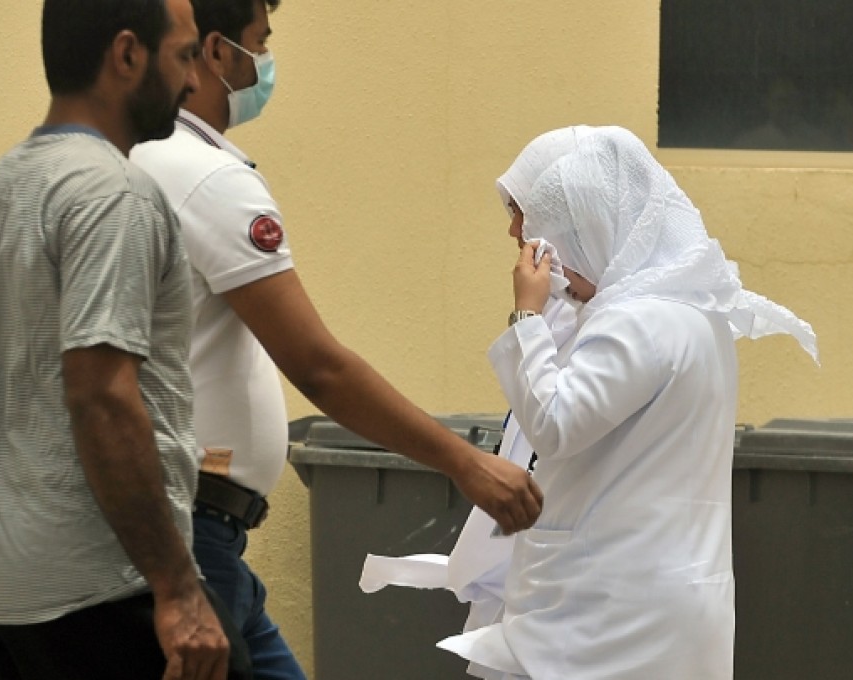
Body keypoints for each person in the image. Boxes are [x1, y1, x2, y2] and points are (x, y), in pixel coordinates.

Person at [129, 0, 545, 676]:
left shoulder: (152, 162)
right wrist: (465, 464)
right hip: (192, 529)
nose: (265, 64)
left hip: (208, 532)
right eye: (258, 44)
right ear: (214, 53)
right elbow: (317, 365)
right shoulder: (206, 179)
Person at [366, 125, 818, 679]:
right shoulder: (693, 312)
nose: (516, 233)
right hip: (652, 606)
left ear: (579, 220)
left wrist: (527, 317)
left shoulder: (638, 321)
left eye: (524, 214)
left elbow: (555, 424)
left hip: (608, 618)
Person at [0, 1, 252, 678]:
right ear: (125, 55)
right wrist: (177, 589)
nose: (192, 82)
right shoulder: (114, 195)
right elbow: (101, 397)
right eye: (180, 56)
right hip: (99, 593)